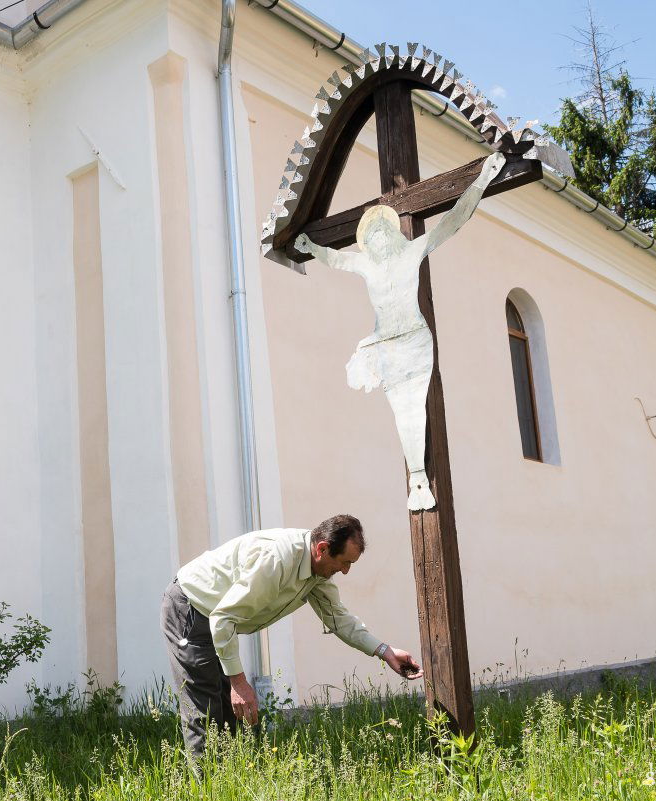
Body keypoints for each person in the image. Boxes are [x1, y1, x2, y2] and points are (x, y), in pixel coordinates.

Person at [293, 151, 507, 511]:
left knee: (414, 409)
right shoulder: (365, 264)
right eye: (371, 233)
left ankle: (420, 477)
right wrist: (310, 247)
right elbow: (335, 259)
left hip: (413, 340)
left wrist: (482, 180)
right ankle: (418, 478)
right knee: (399, 411)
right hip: (385, 345)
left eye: (381, 230)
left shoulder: (412, 252)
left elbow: (453, 221)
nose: (376, 236)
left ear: (392, 232)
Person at [159, 514, 422, 756]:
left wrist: (386, 652)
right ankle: (207, 790)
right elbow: (223, 617)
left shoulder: (317, 573)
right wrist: (238, 683)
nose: (345, 571)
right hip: (190, 608)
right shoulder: (277, 560)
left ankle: (229, 785)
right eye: (344, 563)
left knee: (231, 716)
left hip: (216, 618)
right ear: (322, 549)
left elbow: (339, 620)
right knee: (205, 714)